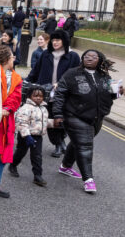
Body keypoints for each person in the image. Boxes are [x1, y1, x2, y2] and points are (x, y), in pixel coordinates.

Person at [52, 50, 122, 193]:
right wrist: (58, 114)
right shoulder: (72, 74)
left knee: (78, 142)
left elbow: (108, 95)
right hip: (74, 116)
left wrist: (118, 92)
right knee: (85, 146)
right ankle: (88, 179)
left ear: (99, 60)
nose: (89, 58)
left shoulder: (103, 75)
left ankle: (65, 166)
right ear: (82, 59)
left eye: (93, 57)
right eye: (86, 56)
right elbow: (60, 94)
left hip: (96, 118)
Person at [26, 30, 81, 157]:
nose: (55, 42)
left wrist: (62, 84)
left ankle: (60, 142)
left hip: (64, 95)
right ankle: (58, 144)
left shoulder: (73, 56)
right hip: (45, 93)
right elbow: (35, 71)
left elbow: (76, 75)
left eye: (58, 40)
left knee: (61, 120)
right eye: (53, 40)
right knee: (49, 119)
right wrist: (26, 82)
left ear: (64, 41)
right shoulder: (46, 54)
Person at [0, 46, 23, 198]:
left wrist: (7, 107)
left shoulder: (16, 78)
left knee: (0, 152)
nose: (14, 59)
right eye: (12, 57)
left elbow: (16, 96)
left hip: (5, 121)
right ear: (6, 59)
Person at [8, 86, 49, 186]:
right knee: (21, 152)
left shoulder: (43, 108)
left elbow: (43, 122)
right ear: (29, 96)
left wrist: (53, 124)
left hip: (37, 136)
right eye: (35, 96)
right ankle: (13, 165)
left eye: (41, 96)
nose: (38, 98)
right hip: (25, 135)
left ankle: (37, 176)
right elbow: (21, 122)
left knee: (37, 156)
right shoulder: (25, 108)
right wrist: (26, 136)